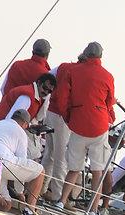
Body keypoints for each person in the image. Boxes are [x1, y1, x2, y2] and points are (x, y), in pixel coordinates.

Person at [56, 42, 115, 215]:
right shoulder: (107, 76)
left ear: (85, 54)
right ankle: (93, 211)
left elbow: (63, 97)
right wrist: (108, 117)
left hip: (78, 124)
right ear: (100, 57)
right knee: (97, 170)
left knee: (73, 168)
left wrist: (69, 117)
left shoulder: (74, 71)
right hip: (99, 126)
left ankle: (61, 201)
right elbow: (109, 101)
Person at [0, 109, 45, 215]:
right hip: (2, 164)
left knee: (6, 205)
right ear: (25, 124)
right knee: (40, 171)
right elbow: (22, 161)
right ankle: (29, 210)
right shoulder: (21, 132)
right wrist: (19, 192)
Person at [41, 54, 84, 202]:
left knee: (49, 154)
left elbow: (46, 77)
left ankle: (41, 188)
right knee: (61, 158)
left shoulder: (62, 67)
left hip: (50, 113)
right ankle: (57, 195)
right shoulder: (80, 73)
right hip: (63, 118)